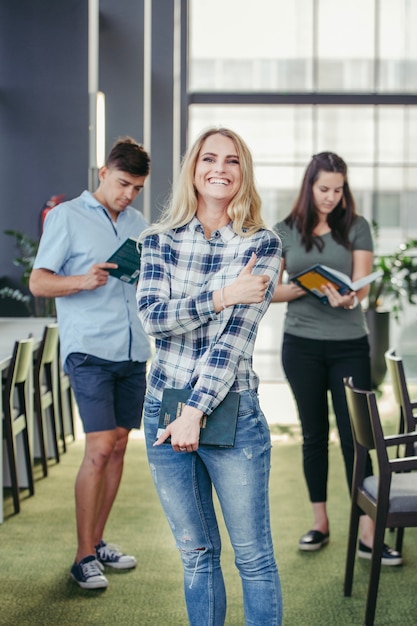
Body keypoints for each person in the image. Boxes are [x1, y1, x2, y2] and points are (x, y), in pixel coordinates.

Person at [136, 127, 283, 625]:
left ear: (244, 173)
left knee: (253, 558)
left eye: (233, 160)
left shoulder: (262, 244)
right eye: (209, 158)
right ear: (193, 169)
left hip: (231, 412)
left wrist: (194, 412)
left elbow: (235, 339)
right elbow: (154, 318)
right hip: (162, 409)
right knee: (196, 553)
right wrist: (221, 297)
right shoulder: (157, 240)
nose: (220, 168)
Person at [29, 137, 152, 589]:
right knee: (99, 447)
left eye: (136, 188)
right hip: (89, 350)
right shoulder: (66, 217)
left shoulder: (139, 223)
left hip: (132, 348)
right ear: (103, 172)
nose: (128, 195)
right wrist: (82, 280)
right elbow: (39, 282)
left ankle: (97, 542)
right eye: (122, 184)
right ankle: (82, 557)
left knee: (119, 445)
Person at [271, 151, 402, 565]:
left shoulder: (356, 227)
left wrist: (348, 297)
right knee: (313, 435)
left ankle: (367, 532)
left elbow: (360, 288)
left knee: (356, 438)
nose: (331, 197)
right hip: (301, 344)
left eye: (338, 190)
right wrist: (306, 287)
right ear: (309, 186)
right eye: (324, 189)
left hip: (349, 343)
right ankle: (320, 522)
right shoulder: (284, 230)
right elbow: (271, 290)